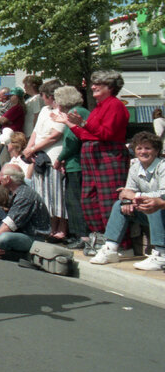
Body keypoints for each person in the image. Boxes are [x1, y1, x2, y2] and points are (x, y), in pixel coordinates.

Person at [52, 70, 130, 255]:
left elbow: (106, 134)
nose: (93, 87)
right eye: (93, 83)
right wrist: (70, 123)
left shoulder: (115, 105)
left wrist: (83, 123)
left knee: (108, 200)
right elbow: (86, 135)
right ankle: (101, 238)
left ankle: (119, 244)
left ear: (110, 87)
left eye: (98, 84)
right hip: (93, 156)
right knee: (89, 200)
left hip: (108, 155)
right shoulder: (98, 107)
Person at [90, 131, 165, 268]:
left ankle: (161, 254)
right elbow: (127, 192)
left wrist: (135, 197)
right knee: (119, 205)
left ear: (156, 151)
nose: (143, 152)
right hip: (146, 211)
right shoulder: (135, 167)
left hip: (161, 210)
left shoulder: (162, 166)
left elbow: (163, 194)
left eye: (148, 148)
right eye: (139, 148)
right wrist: (127, 201)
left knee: (153, 204)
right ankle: (110, 249)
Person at [24, 79, 68, 240]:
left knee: (58, 194)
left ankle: (61, 228)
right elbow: (35, 132)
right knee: (43, 194)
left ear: (51, 96)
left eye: (43, 95)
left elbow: (55, 135)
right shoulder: (44, 111)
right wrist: (28, 149)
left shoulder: (63, 112)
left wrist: (34, 149)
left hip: (54, 156)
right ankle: (48, 227)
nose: (42, 98)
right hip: (39, 157)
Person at [0, 164, 50, 256]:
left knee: (3, 238)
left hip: (33, 236)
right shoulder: (15, 193)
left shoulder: (24, 195)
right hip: (20, 233)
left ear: (7, 179)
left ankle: (9, 253)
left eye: (0, 175)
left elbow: (10, 224)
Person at [52, 85, 88, 249]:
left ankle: (81, 235)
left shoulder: (75, 113)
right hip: (77, 163)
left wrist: (60, 158)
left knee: (74, 201)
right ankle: (79, 234)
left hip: (76, 165)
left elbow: (72, 141)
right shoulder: (80, 111)